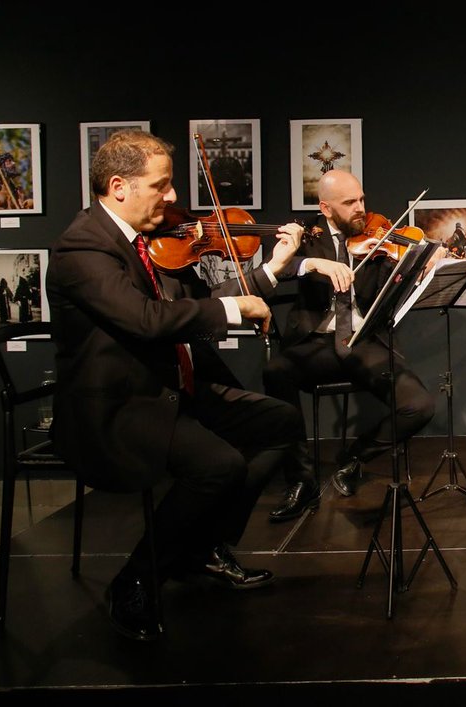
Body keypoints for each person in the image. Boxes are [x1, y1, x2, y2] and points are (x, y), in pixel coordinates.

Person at [46, 130, 307, 641]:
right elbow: (147, 319)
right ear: (119, 186)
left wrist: (270, 273)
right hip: (119, 407)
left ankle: (201, 545)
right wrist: (233, 309)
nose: (171, 198)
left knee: (281, 421)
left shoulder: (145, 242)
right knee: (219, 465)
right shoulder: (84, 246)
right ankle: (137, 579)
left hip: (169, 389)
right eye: (161, 186)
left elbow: (193, 303)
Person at [262, 169, 445, 520]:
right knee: (275, 373)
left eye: (362, 199)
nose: (360, 208)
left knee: (419, 406)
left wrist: (425, 262)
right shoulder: (305, 234)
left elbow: (406, 273)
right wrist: (312, 263)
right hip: (317, 343)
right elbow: (278, 269)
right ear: (326, 208)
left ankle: (355, 458)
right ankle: (300, 481)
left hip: (365, 342)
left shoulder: (381, 236)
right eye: (349, 203)